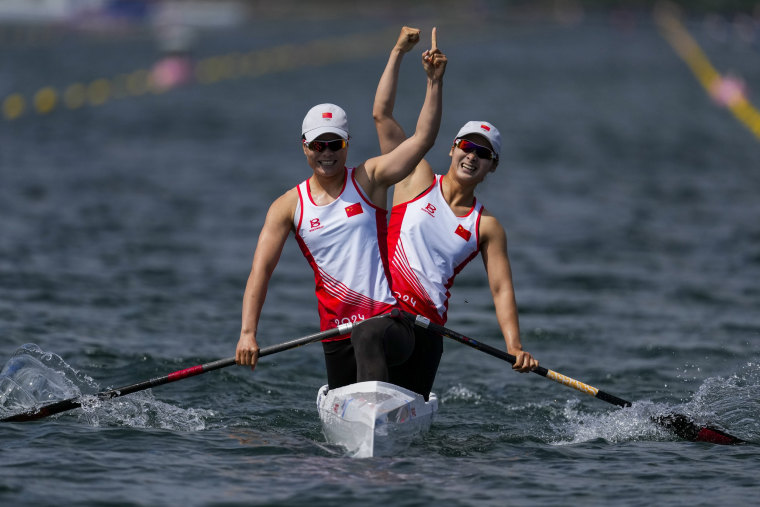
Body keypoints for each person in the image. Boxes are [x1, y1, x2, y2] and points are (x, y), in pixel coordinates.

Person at [235, 29, 447, 393]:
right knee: (353, 355)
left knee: (368, 333)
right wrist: (248, 334)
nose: (327, 152)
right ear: (304, 147)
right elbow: (261, 270)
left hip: (391, 325)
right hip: (335, 334)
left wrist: (433, 83)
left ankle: (375, 414)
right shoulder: (288, 205)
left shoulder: (371, 179)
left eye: (335, 143)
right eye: (319, 144)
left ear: (347, 144)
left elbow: (423, 139)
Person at [372, 27, 538, 395]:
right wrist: (400, 52)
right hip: (382, 318)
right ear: (452, 149)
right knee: (374, 347)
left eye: (484, 154)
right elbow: (382, 116)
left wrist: (514, 346)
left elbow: (501, 288)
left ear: (492, 167)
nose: (472, 156)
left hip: (428, 331)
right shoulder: (414, 176)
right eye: (467, 146)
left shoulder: (486, 226)